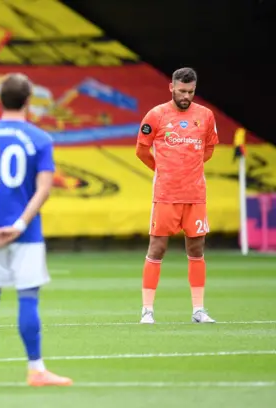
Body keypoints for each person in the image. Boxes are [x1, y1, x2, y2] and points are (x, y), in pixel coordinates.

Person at [0, 73, 72, 387]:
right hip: (27, 235)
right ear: (28, 101)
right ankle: (36, 370)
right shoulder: (40, 139)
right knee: (27, 299)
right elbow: (44, 189)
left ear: (0, 99)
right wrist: (20, 225)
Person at [135, 67, 218, 324]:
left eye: (191, 92)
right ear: (171, 87)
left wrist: (189, 170)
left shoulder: (205, 116)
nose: (186, 96)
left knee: (196, 248)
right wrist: (165, 171)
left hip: (195, 194)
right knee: (157, 248)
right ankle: (147, 310)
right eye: (182, 91)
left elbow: (209, 148)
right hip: (166, 194)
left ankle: (198, 310)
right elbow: (141, 150)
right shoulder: (156, 115)